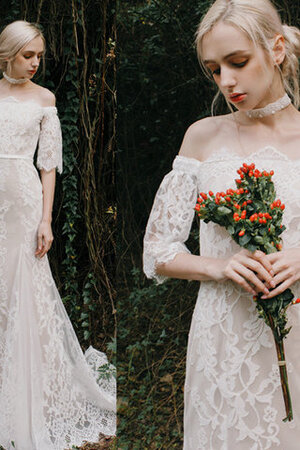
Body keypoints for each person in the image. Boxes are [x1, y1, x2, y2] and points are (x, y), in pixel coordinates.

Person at [143, 0, 300, 448]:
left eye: (238, 62)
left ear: (278, 49)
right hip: (223, 337)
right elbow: (158, 250)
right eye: (214, 69)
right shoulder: (202, 135)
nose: (226, 81)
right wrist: (219, 266)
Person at [0, 20, 115, 450]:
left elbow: (48, 166)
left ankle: (31, 397)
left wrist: (46, 219)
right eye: (28, 55)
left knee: (25, 292)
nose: (35, 63)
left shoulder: (45, 99)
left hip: (24, 203)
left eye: (39, 56)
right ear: (8, 52)